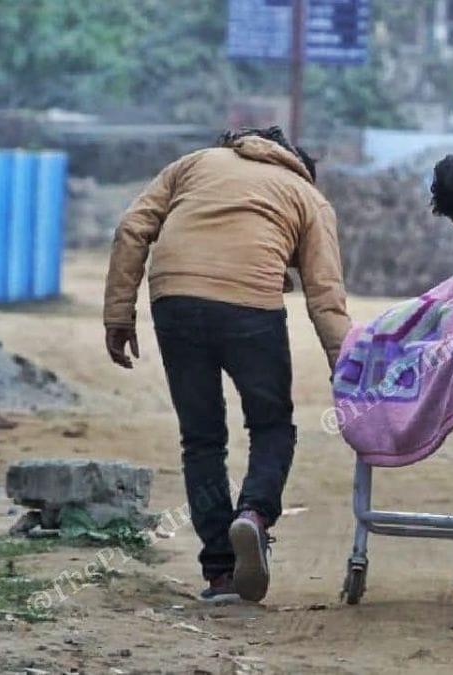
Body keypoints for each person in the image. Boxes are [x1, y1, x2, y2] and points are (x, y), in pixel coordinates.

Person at [103, 126, 351, 604]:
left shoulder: (194, 164)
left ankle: (221, 574)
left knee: (201, 439)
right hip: (251, 307)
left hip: (175, 298)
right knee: (272, 425)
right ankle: (254, 514)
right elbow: (325, 293)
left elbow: (132, 228)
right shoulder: (306, 195)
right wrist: (343, 365)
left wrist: (119, 314)